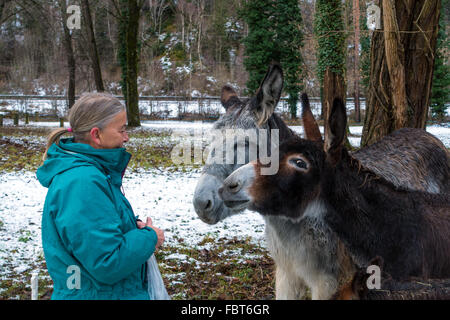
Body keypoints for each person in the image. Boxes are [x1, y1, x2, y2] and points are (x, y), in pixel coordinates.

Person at [36, 92, 165, 300]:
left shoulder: (93, 173)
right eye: (121, 130)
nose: (126, 137)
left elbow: (95, 234)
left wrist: (131, 227)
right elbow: (107, 262)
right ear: (96, 135)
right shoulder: (82, 182)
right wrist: (149, 237)